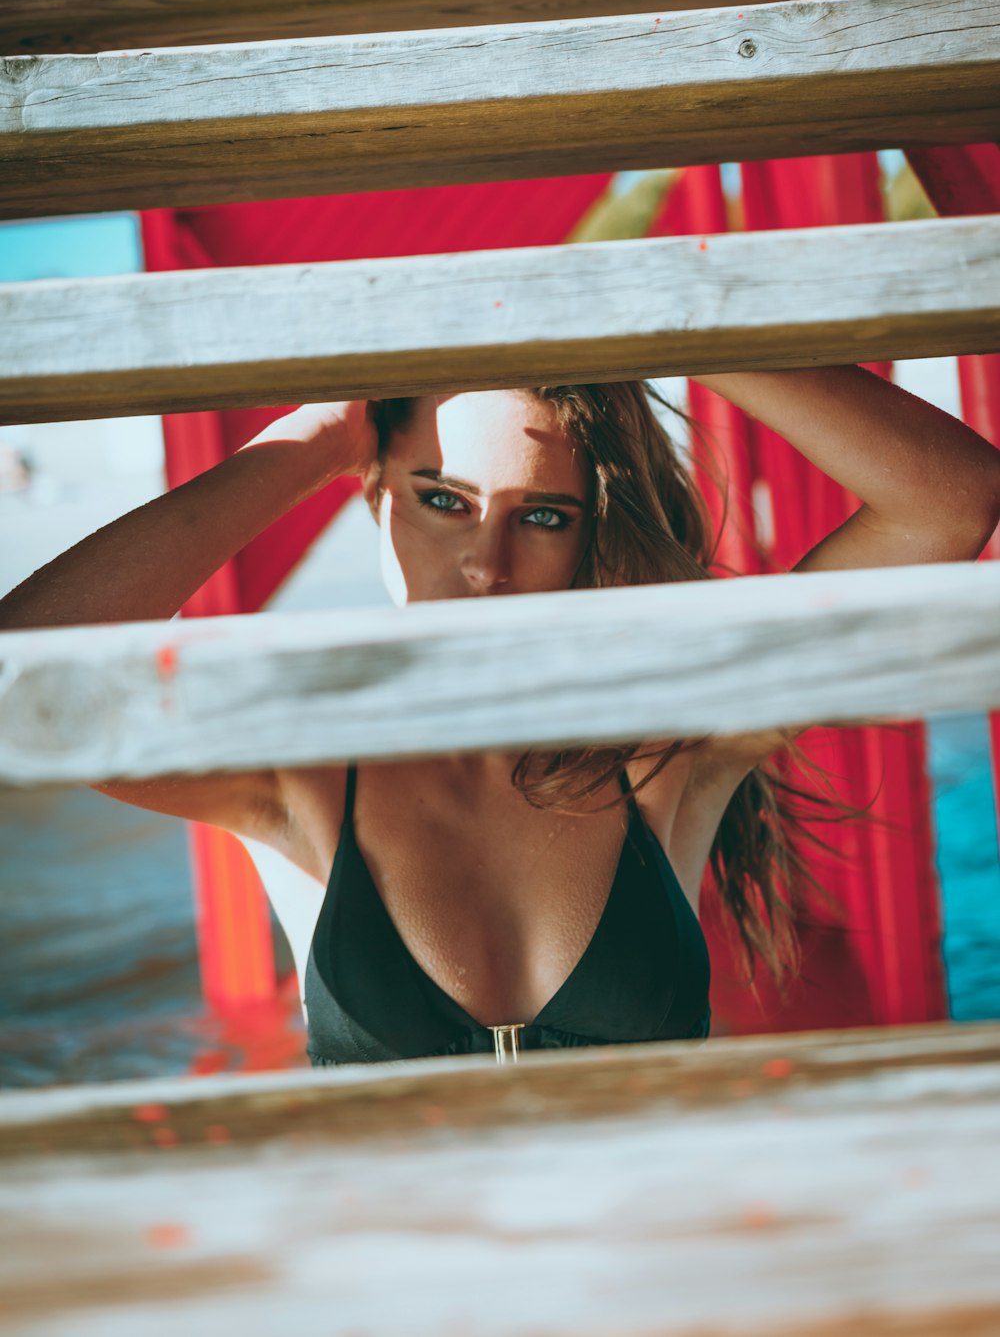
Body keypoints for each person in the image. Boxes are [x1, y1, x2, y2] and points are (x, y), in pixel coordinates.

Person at [2, 370, 998, 1065]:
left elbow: (951, 501)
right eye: (441, 500)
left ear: (588, 535)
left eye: (543, 516)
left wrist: (677, 319)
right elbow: (19, 674)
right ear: (374, 498)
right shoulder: (295, 771)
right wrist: (312, 445)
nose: (486, 563)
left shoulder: (668, 748)